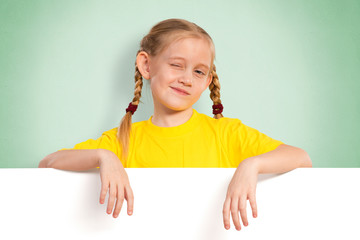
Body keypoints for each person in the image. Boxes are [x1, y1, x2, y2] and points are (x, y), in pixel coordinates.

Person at [38, 18, 312, 231]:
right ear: (146, 65)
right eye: (176, 65)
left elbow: (301, 158)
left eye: (198, 71)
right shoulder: (123, 140)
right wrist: (104, 156)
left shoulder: (227, 133)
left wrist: (251, 165)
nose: (187, 79)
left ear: (207, 82)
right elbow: (48, 162)